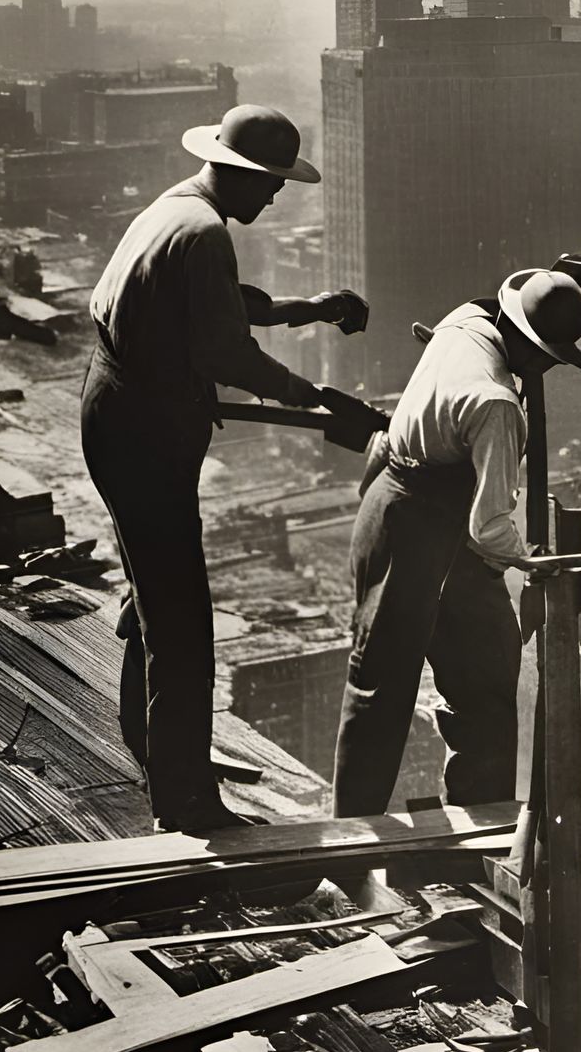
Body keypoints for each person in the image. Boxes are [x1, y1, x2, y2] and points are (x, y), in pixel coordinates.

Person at [83, 103, 370, 832]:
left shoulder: (178, 209)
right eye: (271, 183)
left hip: (122, 416)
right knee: (182, 622)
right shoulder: (205, 232)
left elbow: (219, 304)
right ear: (240, 173)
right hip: (143, 433)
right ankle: (186, 804)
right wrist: (311, 394)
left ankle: (153, 749)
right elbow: (225, 352)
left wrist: (309, 308)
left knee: (157, 597)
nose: (274, 197)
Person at [332, 269, 581, 818]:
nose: (547, 369)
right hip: (410, 526)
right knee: (382, 680)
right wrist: (536, 561)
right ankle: (354, 834)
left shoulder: (468, 319)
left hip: (426, 513)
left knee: (487, 664)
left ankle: (480, 818)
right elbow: (491, 526)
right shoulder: (497, 405)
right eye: (548, 358)